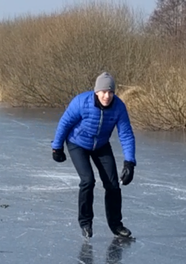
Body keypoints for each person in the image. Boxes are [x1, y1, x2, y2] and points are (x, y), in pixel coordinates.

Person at [51, 72, 136, 239]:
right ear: (96, 91)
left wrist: (129, 162)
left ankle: (116, 225)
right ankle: (85, 222)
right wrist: (57, 147)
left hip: (101, 145)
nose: (107, 96)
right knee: (88, 181)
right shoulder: (81, 102)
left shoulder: (118, 107)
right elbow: (65, 123)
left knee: (113, 185)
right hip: (77, 143)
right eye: (103, 92)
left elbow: (126, 134)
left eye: (110, 92)